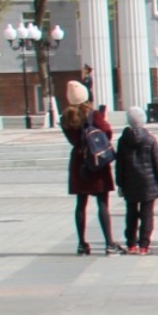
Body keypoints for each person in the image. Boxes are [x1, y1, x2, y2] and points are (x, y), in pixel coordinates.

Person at [60, 81, 119, 255]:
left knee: (80, 204)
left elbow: (73, 139)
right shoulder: (93, 114)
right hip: (96, 160)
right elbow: (106, 134)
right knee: (102, 203)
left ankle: (81, 243)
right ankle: (109, 243)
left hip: (79, 162)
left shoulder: (65, 117)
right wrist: (104, 121)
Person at [114, 106, 158, 254]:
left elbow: (120, 165)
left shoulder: (123, 141)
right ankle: (144, 245)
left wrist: (120, 183)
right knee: (147, 215)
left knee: (131, 213)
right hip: (148, 183)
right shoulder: (150, 139)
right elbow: (157, 163)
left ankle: (131, 244)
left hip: (130, 183)